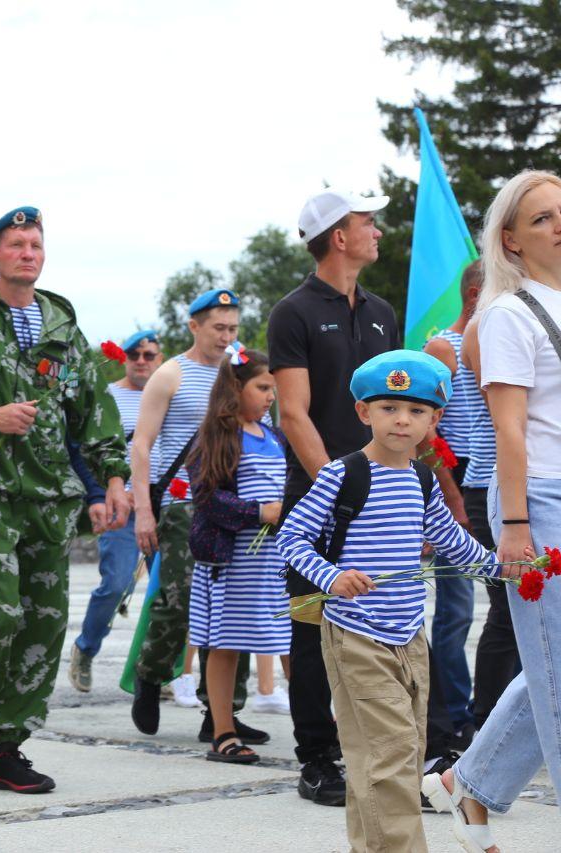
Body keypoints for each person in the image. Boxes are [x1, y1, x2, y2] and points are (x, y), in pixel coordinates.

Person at [278, 349, 496, 852]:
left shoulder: (422, 479)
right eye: (389, 408)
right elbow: (292, 539)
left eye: (417, 411)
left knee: (393, 756)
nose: (403, 420)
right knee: (390, 756)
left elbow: (451, 540)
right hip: (357, 634)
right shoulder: (342, 475)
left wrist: (501, 568)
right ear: (363, 412)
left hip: (408, 636)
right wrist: (332, 577)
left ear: (435, 419)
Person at [0, 205, 129, 793]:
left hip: (48, 496)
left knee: (44, 621)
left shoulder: (61, 323)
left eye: (34, 243)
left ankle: (8, 750)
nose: (27, 252)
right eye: (15, 243)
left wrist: (112, 478)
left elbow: (94, 409)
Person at [426, 169, 561, 853]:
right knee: (555, 662)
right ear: (509, 239)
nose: (559, 225)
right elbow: (509, 428)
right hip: (539, 498)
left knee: (552, 665)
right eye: (542, 218)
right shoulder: (508, 314)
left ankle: (467, 779)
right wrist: (513, 525)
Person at [267, 187, 397, 806]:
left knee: (382, 624)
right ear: (338, 237)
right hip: (318, 501)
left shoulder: (381, 311)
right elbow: (294, 414)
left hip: (381, 496)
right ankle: (317, 758)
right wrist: (337, 487)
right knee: (315, 634)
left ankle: (377, 750)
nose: (376, 229)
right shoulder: (292, 311)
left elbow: (395, 411)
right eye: (365, 221)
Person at [130, 289, 252, 738]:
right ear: (194, 326)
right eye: (218, 328)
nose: (226, 336)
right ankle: (150, 672)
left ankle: (221, 713)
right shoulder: (170, 373)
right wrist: (145, 511)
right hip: (183, 505)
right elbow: (141, 445)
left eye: (233, 328)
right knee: (178, 601)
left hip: (234, 504)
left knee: (234, 608)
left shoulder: (240, 370)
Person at [185, 344, 289, 764]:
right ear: (235, 387)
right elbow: (206, 498)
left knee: (291, 638)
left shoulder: (276, 436)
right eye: (263, 387)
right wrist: (259, 512)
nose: (271, 396)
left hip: (276, 559)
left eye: (274, 388)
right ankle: (223, 731)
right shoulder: (217, 435)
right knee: (225, 644)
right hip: (233, 560)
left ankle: (316, 727)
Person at [422, 261, 496, 747]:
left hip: (487, 473)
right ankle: (454, 711)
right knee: (456, 609)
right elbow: (426, 426)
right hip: (457, 478)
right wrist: (448, 493)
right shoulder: (443, 347)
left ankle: (480, 707)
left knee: (500, 603)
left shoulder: (494, 341)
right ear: (474, 292)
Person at [71, 329, 162, 692]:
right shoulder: (108, 396)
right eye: (134, 355)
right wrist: (99, 495)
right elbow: (86, 447)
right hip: (122, 501)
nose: (141, 361)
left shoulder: (170, 393)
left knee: (168, 592)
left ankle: (153, 670)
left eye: (149, 355)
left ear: (159, 358)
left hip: (164, 501)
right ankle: (86, 648)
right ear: (124, 358)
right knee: (117, 583)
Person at [458, 313, 520, 728]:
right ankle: (488, 721)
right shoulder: (490, 322)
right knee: (506, 608)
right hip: (492, 483)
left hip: (529, 479)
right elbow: (504, 408)